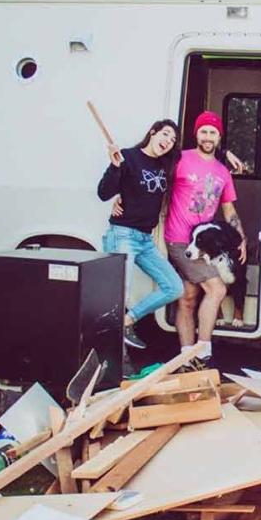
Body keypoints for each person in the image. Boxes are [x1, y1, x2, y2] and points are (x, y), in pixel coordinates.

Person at [165, 111, 246, 370]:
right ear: (196, 134)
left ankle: (187, 358)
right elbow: (154, 179)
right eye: (204, 131)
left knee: (188, 297)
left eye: (213, 132)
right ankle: (203, 351)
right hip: (179, 240)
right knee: (217, 289)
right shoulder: (181, 159)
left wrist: (240, 238)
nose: (208, 137)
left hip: (204, 245)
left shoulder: (223, 171)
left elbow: (229, 211)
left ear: (219, 137)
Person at [97, 119, 185, 350]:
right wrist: (115, 167)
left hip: (145, 240)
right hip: (123, 235)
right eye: (165, 135)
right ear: (152, 133)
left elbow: (198, 157)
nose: (168, 141)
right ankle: (114, 359)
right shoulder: (128, 157)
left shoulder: (165, 165)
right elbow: (104, 193)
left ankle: (127, 321)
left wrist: (225, 153)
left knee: (174, 287)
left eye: (173, 140)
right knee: (117, 298)